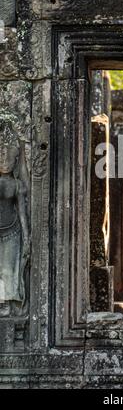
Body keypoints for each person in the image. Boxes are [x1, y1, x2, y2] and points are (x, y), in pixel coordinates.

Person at [0, 121, 29, 316]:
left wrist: (27, 237)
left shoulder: (17, 185)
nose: (4, 162)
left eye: (9, 158)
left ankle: (6, 303)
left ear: (15, 161)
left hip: (12, 231)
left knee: (8, 271)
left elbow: (22, 211)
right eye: (1, 157)